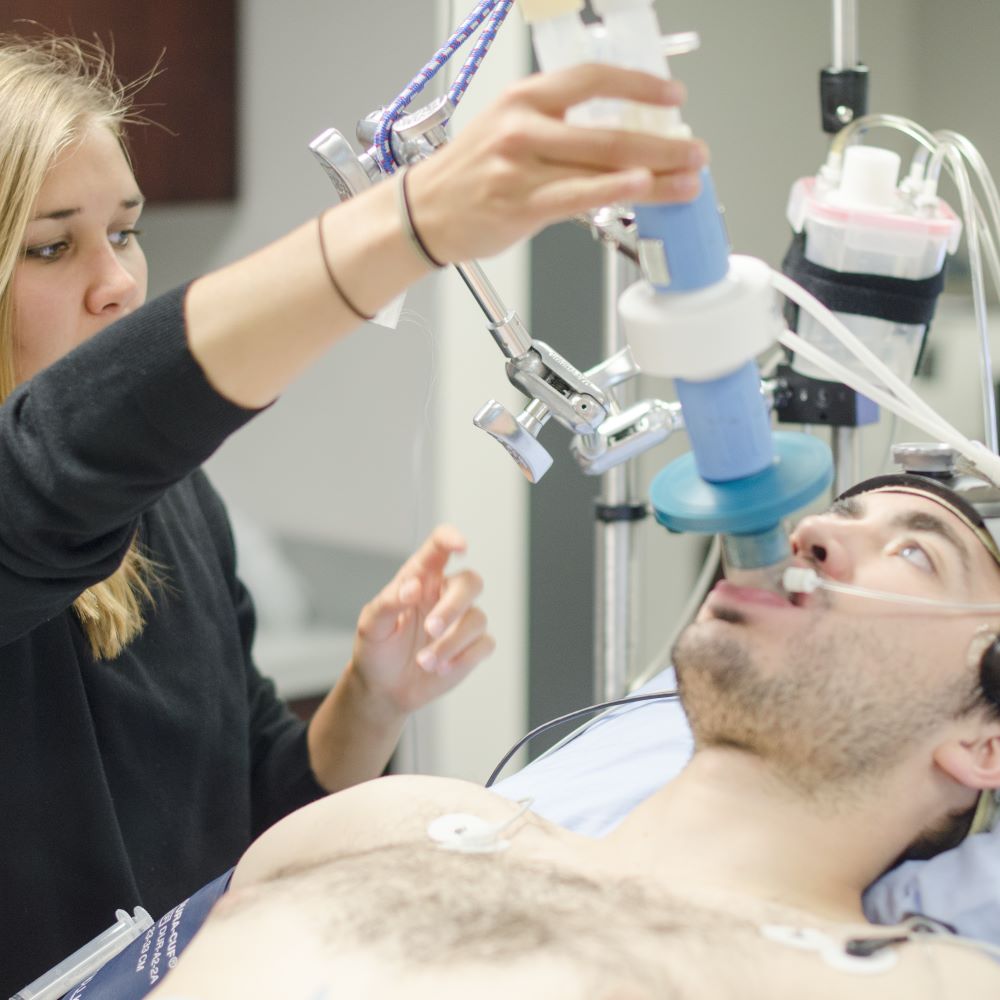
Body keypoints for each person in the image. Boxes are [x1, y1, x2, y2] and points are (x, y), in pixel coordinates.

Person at [0, 32, 708, 998]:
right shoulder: (46, 500)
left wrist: (369, 700)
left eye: (125, 229)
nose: (118, 278)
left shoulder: (173, 507)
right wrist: (405, 228)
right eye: (51, 245)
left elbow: (263, 812)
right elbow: (56, 470)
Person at [122, 475, 1000, 998]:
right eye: (835, 517)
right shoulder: (395, 821)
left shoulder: (927, 986)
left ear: (985, 746)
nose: (809, 535)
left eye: (916, 553)